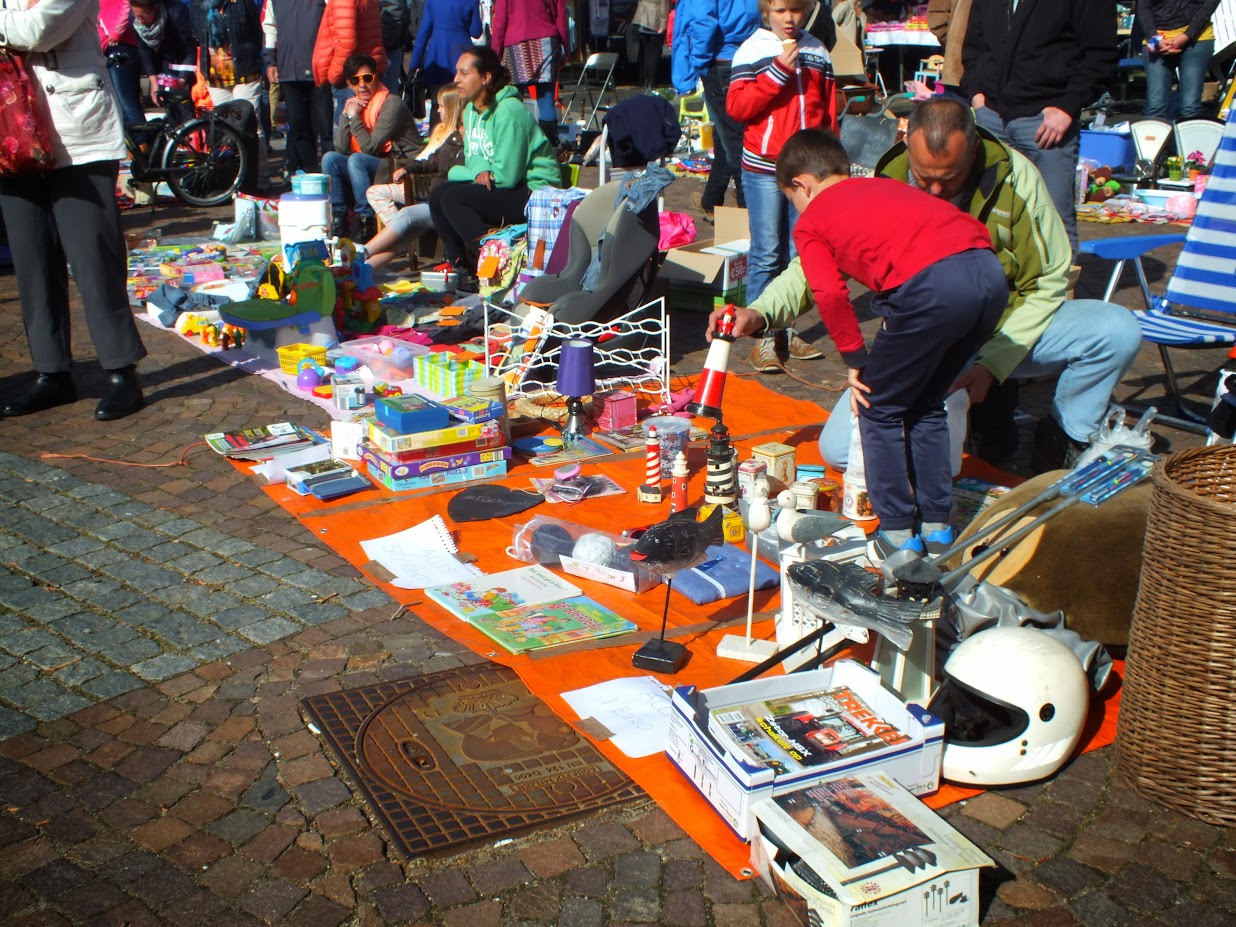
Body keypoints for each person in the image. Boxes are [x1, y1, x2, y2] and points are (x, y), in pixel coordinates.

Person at [710, 98, 1144, 474]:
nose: (935, 189)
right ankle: (941, 434)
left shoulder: (1017, 178)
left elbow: (1049, 280)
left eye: (949, 178)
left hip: (1011, 326)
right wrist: (761, 312)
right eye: (924, 176)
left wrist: (993, 363)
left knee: (1115, 329)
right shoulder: (885, 179)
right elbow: (816, 267)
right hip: (925, 332)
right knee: (842, 450)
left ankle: (1070, 436)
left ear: (973, 149)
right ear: (906, 146)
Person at [775, 128, 1007, 557]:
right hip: (988, 276)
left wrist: (853, 356)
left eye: (794, 200)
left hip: (932, 288)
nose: (798, 209)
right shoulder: (883, 186)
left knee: (876, 406)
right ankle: (937, 526)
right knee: (925, 402)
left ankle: (897, 532)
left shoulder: (812, 220)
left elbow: (828, 292)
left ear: (802, 184)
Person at [0, 0, 148, 421]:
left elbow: (39, 29)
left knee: (93, 257)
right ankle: (51, 372)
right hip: (10, 135)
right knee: (32, 260)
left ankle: (121, 371)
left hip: (75, 133)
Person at [727, 0, 835, 371]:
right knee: (766, 253)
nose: (789, 19)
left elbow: (829, 109)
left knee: (799, 253)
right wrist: (775, 74)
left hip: (807, 170)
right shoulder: (753, 50)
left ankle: (786, 331)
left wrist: (832, 160)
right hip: (764, 167)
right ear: (766, 12)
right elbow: (737, 107)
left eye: (796, 11)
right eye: (780, 11)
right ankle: (762, 338)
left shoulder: (818, 50)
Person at [961, 0, 1116, 254]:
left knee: (1053, 220)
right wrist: (976, 94)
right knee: (991, 217)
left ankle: (1057, 292)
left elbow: (1101, 54)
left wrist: (1068, 107)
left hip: (1047, 123)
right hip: (991, 114)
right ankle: (1000, 290)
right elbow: (973, 47)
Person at [428, 46, 561, 279]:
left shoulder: (509, 112)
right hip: (502, 182)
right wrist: (476, 171)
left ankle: (498, 265)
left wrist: (465, 172)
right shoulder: (470, 111)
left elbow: (507, 177)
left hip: (536, 192)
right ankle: (461, 268)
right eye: (456, 73)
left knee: (454, 199)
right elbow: (474, 155)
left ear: (485, 78)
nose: (456, 79)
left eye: (463, 73)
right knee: (439, 194)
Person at [672, 0, 758, 220]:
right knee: (726, 135)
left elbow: (703, 20)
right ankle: (711, 201)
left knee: (735, 142)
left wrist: (699, 62)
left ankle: (749, 215)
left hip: (721, 59)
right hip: (747, 54)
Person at [322, 54, 422, 241]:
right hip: (377, 162)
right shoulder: (354, 105)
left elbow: (370, 147)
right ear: (349, 84)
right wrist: (347, 114)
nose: (362, 85)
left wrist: (354, 118)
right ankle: (339, 219)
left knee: (356, 160)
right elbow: (341, 148)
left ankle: (365, 220)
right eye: (355, 80)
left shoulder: (391, 103)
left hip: (399, 164)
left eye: (368, 78)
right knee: (330, 159)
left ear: (377, 77)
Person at [364, 87, 465, 269]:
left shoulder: (467, 143)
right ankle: (361, 268)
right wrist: (407, 167)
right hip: (432, 201)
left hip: (444, 206)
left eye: (441, 106)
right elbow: (430, 162)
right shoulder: (453, 139)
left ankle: (362, 252)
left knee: (407, 214)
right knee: (400, 242)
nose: (438, 110)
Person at [193, 0, 270, 190]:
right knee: (224, 129)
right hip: (215, 76)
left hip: (245, 72)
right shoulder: (197, 6)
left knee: (251, 125)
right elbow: (197, 36)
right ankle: (233, 178)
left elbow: (256, 32)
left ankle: (259, 179)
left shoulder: (242, 3)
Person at [263, 0, 331, 176]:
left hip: (320, 69)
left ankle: (333, 180)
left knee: (325, 128)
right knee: (299, 128)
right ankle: (310, 176)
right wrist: (270, 60)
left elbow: (335, 20)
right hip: (289, 71)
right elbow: (270, 27)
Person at [489, 0, 569, 143]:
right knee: (546, 98)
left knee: (513, 99)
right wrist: (566, 47)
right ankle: (548, 147)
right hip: (547, 41)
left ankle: (515, 143)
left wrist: (495, 53)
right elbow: (561, 15)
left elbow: (500, 20)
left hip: (516, 43)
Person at [1138, 0, 1221, 121]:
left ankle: (1191, 139)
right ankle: (1158, 139)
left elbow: (1210, 4)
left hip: (1197, 39)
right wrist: (1155, 38)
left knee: (1190, 106)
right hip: (1158, 38)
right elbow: (1143, 7)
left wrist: (1186, 36)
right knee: (1156, 106)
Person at [408, 0, 482, 123]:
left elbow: (423, 32)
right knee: (461, 106)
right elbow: (476, 31)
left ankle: (436, 137)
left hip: (437, 57)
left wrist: (414, 64)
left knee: (438, 106)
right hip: (461, 56)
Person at [313, 0, 387, 121]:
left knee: (348, 129)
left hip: (352, 75)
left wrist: (334, 74)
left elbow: (347, 44)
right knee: (369, 124)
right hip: (367, 69)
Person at [130, 0, 199, 125]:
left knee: (187, 112)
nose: (140, 21)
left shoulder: (176, 12)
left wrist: (182, 79)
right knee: (171, 111)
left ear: (155, 7)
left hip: (184, 60)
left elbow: (191, 49)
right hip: (164, 64)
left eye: (144, 16)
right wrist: (154, 82)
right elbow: (144, 51)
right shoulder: (135, 21)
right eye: (136, 16)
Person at [99, 0, 146, 128]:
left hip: (122, 45)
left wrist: (117, 32)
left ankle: (144, 142)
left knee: (127, 102)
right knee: (118, 105)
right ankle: (134, 144)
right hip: (106, 47)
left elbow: (128, 4)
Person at [631, 0, 671, 91]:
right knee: (653, 53)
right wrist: (663, 24)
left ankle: (645, 79)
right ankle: (652, 81)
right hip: (654, 18)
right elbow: (664, 6)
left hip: (641, 17)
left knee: (645, 52)